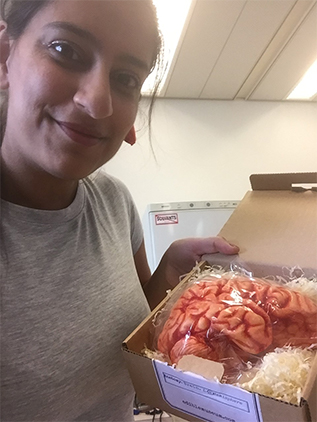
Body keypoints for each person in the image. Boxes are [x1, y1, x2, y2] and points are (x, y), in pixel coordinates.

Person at [0, 0, 239, 420]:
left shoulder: (113, 202)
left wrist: (168, 277)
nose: (98, 101)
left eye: (126, 78)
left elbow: (134, 334)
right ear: (5, 56)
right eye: (65, 50)